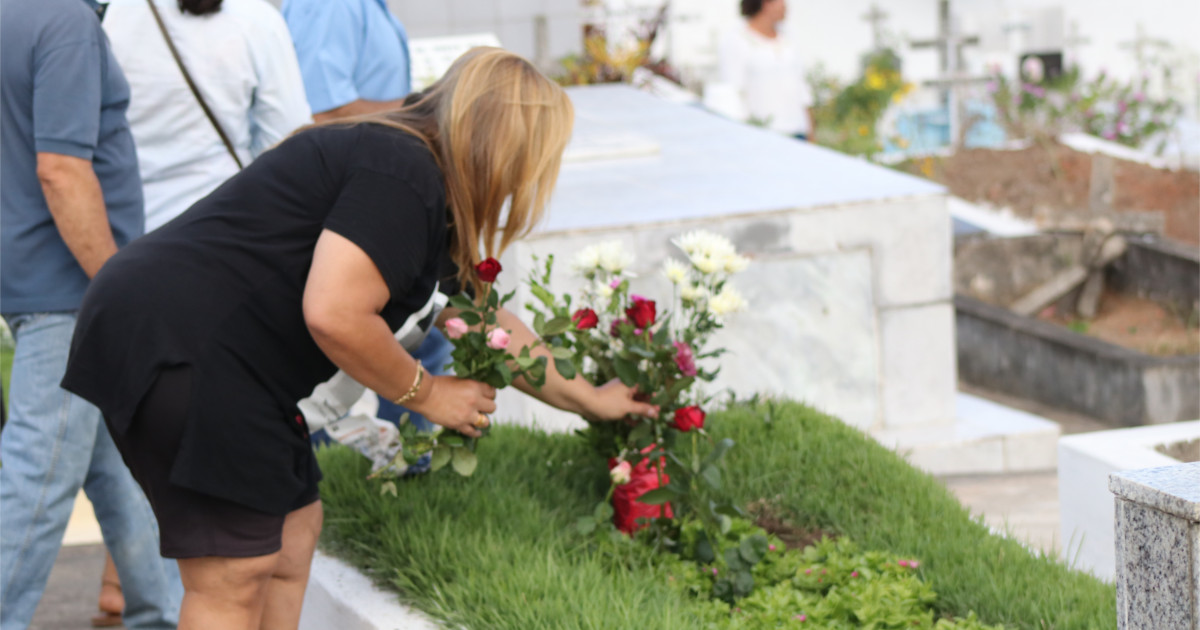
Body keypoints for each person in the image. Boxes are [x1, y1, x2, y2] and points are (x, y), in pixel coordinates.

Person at [62, 48, 658, 629]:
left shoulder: (419, 183)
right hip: (185, 344)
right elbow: (336, 313)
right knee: (232, 574)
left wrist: (592, 400)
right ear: (505, 148)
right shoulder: (402, 172)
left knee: (292, 536)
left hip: (210, 348)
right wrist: (428, 394)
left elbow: (487, 320)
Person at [0, 1, 183, 629]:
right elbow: (61, 169)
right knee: (39, 474)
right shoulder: (66, 22)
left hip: (36, 280)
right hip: (71, 290)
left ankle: (165, 615)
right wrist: (116, 286)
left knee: (119, 466)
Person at [282, 0, 450, 452]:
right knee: (407, 339)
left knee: (422, 337)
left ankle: (399, 469)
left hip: (369, 204)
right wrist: (432, 114)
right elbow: (325, 111)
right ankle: (393, 471)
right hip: (351, 210)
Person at [103, 0, 313, 232]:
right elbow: (288, 141)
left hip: (131, 223)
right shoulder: (258, 19)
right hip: (225, 221)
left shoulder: (110, 15)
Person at [715, 0, 814, 139]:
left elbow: (802, 89)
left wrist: (810, 129)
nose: (786, 6)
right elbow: (733, 92)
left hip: (797, 131)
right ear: (766, 4)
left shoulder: (788, 36)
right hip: (762, 134)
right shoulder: (736, 40)